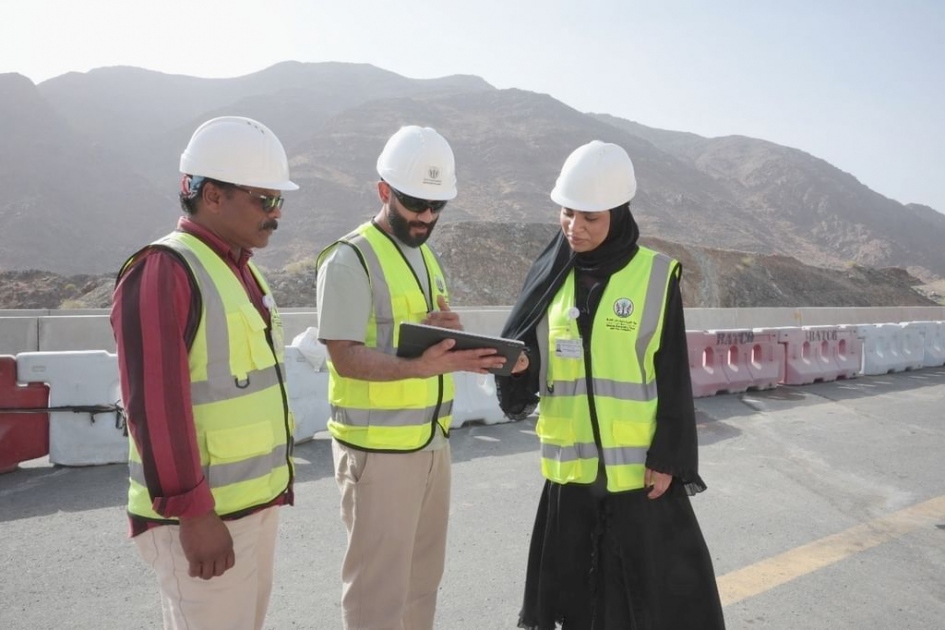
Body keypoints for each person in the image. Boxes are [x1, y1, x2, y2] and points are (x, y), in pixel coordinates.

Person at [496, 140, 726, 629]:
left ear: (618, 215)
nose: (574, 228)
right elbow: (532, 359)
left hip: (636, 477)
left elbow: (672, 372)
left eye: (590, 218)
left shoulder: (654, 275)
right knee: (577, 605)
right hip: (572, 474)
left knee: (645, 605)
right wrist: (519, 367)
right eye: (567, 213)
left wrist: (669, 457)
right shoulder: (550, 275)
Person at [315, 125, 508, 630]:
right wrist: (421, 366)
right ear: (384, 191)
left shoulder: (424, 255)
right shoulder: (349, 259)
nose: (426, 217)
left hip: (429, 444)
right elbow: (345, 357)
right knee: (377, 594)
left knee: (422, 583)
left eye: (436, 206)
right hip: (377, 452)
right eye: (415, 203)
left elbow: (406, 335)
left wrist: (447, 333)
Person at [111, 115, 299, 630]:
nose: (276, 214)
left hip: (250, 509)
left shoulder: (242, 268)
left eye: (280, 200)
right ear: (213, 195)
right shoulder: (164, 270)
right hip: (202, 520)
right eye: (265, 199)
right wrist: (194, 514)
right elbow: (155, 406)